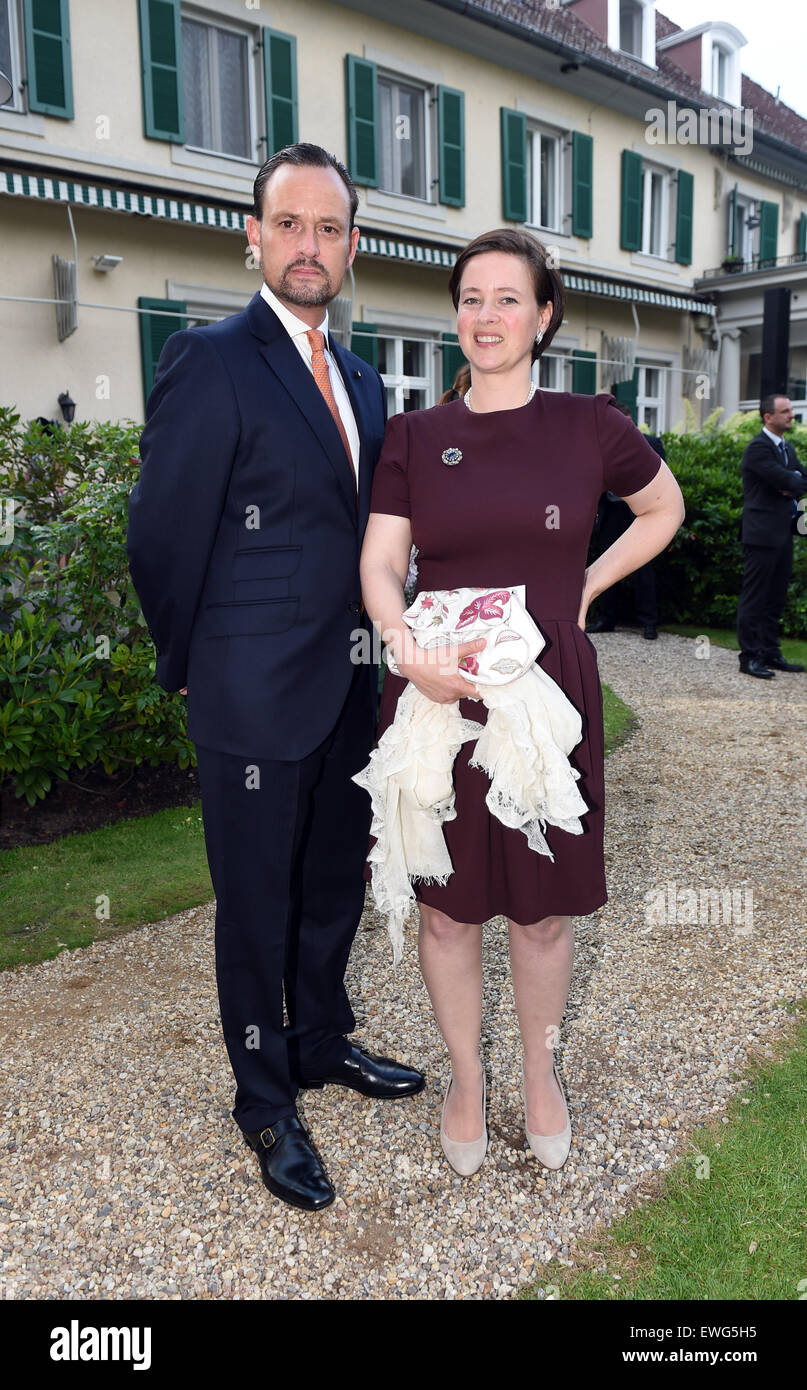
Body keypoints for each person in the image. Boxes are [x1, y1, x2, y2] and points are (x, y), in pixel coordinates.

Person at [126, 143, 424, 1216]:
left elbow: (369, 528)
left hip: (351, 683)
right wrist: (193, 668)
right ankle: (263, 1099)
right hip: (249, 692)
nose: (310, 246)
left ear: (355, 245)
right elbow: (161, 536)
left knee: (331, 877)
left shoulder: (361, 374)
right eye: (289, 225)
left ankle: (319, 1041)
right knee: (254, 904)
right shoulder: (211, 359)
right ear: (252, 235)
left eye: (330, 228)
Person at [359, 227, 684, 1177]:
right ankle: (467, 1078)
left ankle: (541, 1075)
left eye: (508, 298)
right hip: (438, 695)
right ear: (454, 315)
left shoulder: (588, 424)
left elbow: (661, 508)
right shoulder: (414, 437)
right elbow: (381, 561)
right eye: (470, 298)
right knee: (450, 910)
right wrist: (404, 648)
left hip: (546, 698)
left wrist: (583, 586)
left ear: (544, 317)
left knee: (542, 911)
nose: (486, 316)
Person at [736, 393, 807, 678]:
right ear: (769, 417)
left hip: (782, 534)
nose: (791, 414)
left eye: (790, 410)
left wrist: (791, 483)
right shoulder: (757, 448)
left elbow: (799, 480)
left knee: (775, 597)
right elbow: (786, 479)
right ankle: (749, 658)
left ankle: (770, 653)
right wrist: (790, 481)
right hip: (761, 535)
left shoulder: (787, 449)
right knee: (755, 598)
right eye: (786, 411)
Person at [586, 398, 666, 640]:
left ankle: (648, 622)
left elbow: (663, 478)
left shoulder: (652, 443)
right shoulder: (601, 443)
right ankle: (606, 618)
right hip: (612, 511)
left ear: (628, 419)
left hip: (639, 513)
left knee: (644, 568)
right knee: (607, 563)